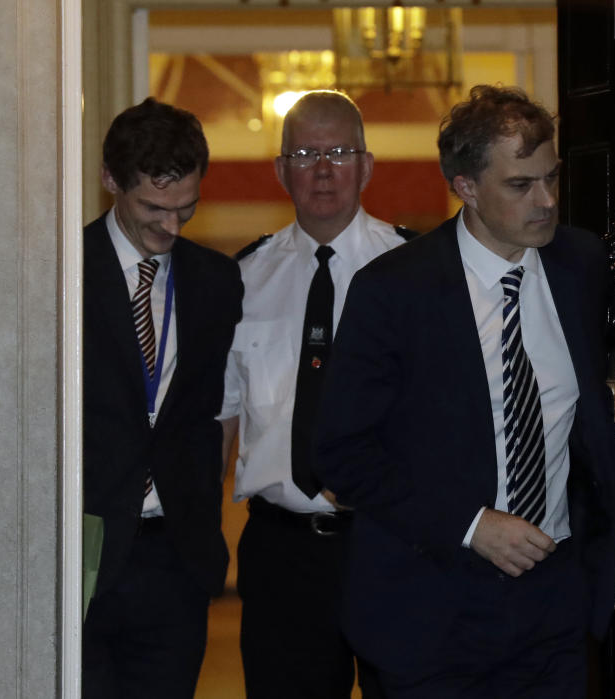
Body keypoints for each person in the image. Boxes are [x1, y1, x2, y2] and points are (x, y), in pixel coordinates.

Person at [312, 84, 615, 698]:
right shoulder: (394, 290)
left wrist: (608, 539)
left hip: (555, 600)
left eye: (551, 178)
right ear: (465, 187)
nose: (546, 201)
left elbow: (589, 429)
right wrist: (470, 525)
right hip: (434, 601)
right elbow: (342, 455)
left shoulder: (581, 264)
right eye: (520, 185)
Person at [218, 90, 411, 699]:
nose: (323, 169)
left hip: (392, 546)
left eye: (339, 152)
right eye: (304, 153)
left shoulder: (417, 271)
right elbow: (221, 419)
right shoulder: (242, 279)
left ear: (368, 166)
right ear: (280, 171)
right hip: (283, 555)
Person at [82, 97, 243, 698]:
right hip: (83, 552)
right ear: (110, 181)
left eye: (187, 208)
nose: (172, 228)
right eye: (153, 207)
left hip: (177, 559)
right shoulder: (62, 273)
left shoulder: (216, 280)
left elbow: (214, 410)